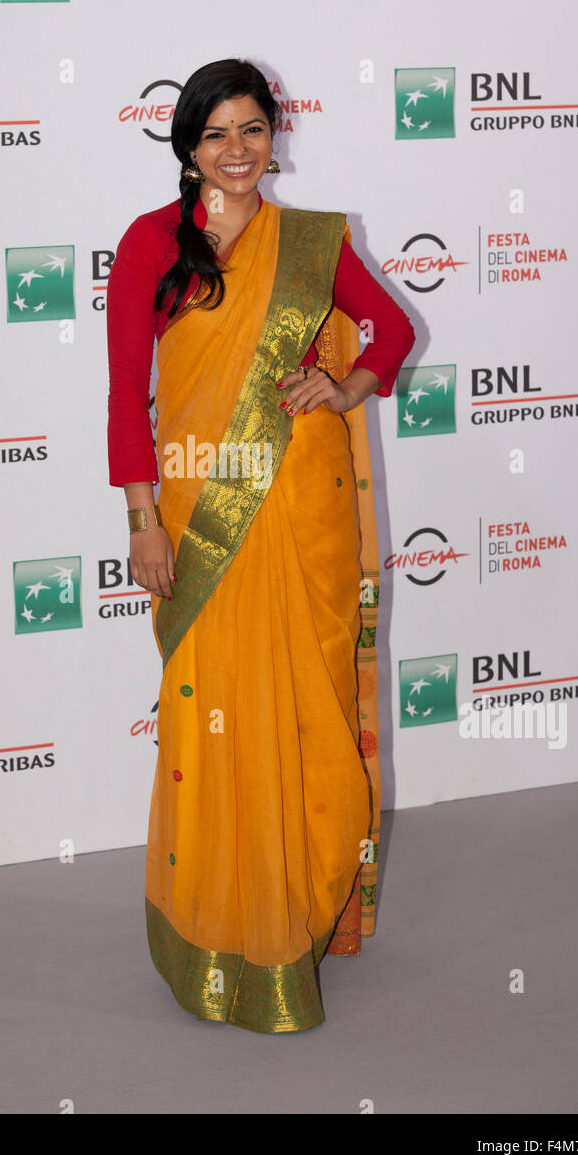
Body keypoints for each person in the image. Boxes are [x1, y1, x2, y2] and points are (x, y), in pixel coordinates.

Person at [106, 58, 415, 1033]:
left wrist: (347, 385)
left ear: (272, 136)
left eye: (251, 130)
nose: (236, 151)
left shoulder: (310, 241)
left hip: (300, 519)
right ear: (186, 149)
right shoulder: (151, 244)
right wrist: (143, 521)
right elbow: (126, 401)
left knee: (304, 717)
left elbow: (389, 331)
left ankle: (295, 912)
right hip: (201, 521)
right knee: (213, 724)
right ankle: (216, 921)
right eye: (214, 135)